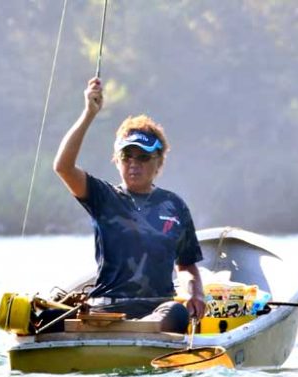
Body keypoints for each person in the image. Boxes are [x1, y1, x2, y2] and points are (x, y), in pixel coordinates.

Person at [52, 77, 205, 333]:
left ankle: (136, 331)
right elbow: (63, 167)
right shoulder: (102, 196)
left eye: (143, 157)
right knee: (44, 317)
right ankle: (126, 331)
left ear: (159, 163)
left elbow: (187, 265)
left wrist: (195, 293)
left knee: (177, 313)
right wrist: (89, 113)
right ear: (117, 160)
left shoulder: (174, 206)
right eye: (127, 156)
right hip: (106, 309)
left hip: (158, 311)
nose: (134, 163)